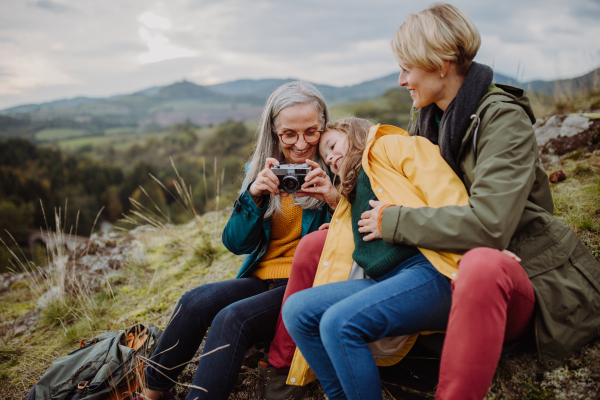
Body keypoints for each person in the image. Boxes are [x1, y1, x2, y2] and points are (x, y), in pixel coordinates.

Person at [355, 3, 600, 399]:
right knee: (321, 243)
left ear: (441, 63)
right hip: (447, 263)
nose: (400, 80)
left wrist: (396, 222)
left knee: (482, 264)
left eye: (406, 68)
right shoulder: (429, 119)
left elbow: (491, 226)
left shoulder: (503, 120)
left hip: (523, 273)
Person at [142, 81, 332, 400]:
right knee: (193, 301)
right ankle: (153, 392)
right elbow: (236, 244)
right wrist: (254, 196)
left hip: (305, 285)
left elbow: (349, 236)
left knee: (232, 319)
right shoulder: (260, 170)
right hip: (263, 279)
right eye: (289, 134)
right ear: (273, 131)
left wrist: (331, 194)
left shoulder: (338, 166)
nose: (302, 144)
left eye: (311, 131)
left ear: (324, 126)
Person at [281, 116, 471, 400]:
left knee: (338, 322)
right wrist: (336, 208)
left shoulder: (390, 146)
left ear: (356, 133)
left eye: (333, 145)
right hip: (391, 280)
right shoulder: (350, 193)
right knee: (297, 310)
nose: (331, 157)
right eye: (325, 157)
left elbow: (450, 198)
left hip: (433, 270)